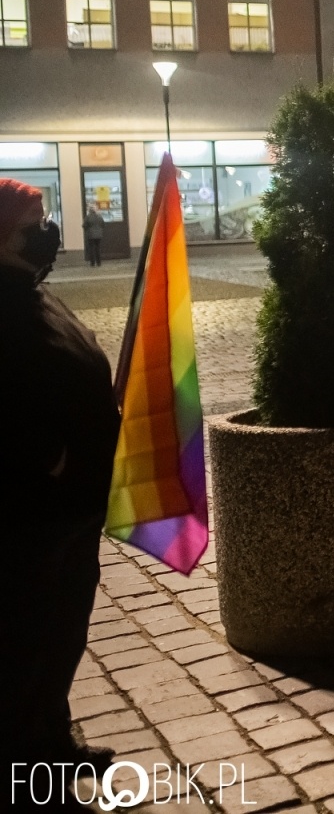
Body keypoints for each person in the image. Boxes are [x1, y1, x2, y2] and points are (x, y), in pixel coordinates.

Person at [0, 180, 120, 778]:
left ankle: (52, 744)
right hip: (30, 513)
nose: (45, 232)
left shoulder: (33, 290)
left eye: (46, 219)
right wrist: (44, 457)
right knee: (23, 641)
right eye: (31, 224)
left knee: (63, 634)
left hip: (75, 507)